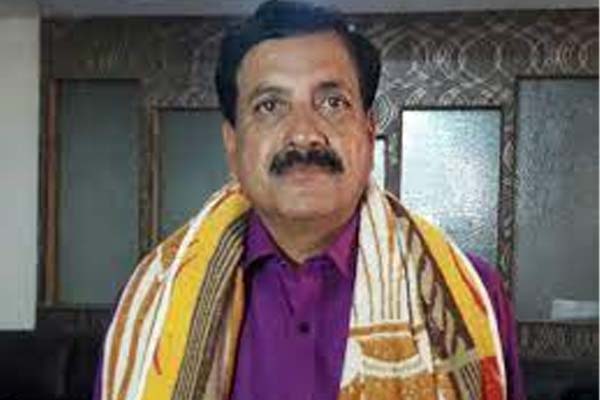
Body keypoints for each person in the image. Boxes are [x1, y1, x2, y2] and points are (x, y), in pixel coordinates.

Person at [95, 1, 524, 399]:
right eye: (270, 106)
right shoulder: (150, 303)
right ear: (232, 144)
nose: (304, 134)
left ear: (368, 132)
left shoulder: (472, 296)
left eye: (333, 102)